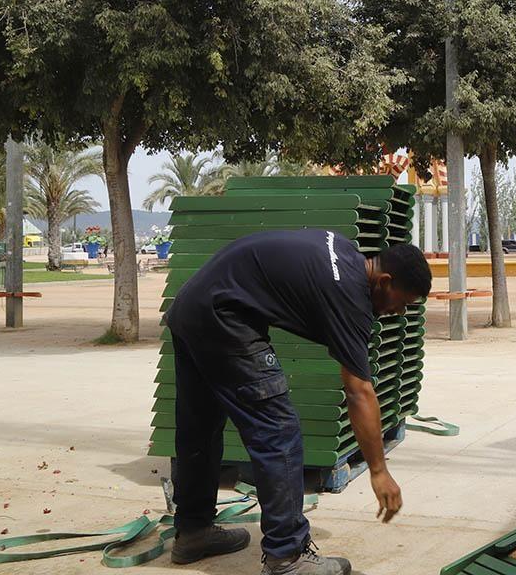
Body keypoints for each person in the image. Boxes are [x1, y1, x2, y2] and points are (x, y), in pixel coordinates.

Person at [163, 230, 432, 575]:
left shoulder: (348, 254)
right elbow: (358, 391)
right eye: (403, 302)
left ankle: (193, 532)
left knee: (200, 427)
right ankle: (287, 556)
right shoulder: (350, 296)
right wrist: (378, 471)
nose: (397, 312)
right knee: (278, 431)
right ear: (385, 281)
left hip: (193, 307)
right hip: (225, 318)